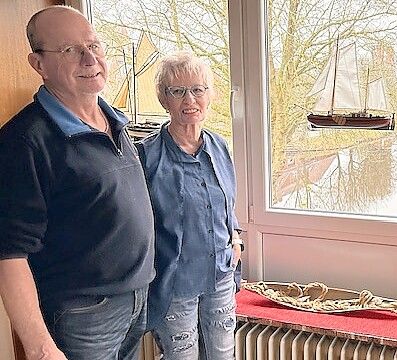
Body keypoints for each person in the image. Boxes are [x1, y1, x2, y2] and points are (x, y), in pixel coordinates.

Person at [0, 6, 155, 360]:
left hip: (136, 297)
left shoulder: (113, 120)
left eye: (95, 45)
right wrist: (41, 348)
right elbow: (9, 253)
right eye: (70, 50)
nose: (90, 58)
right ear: (38, 64)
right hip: (83, 314)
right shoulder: (25, 141)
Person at [136, 51, 242, 360]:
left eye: (198, 89)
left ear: (209, 95)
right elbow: (138, 224)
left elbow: (226, 203)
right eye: (178, 91)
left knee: (223, 355)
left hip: (220, 275)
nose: (190, 99)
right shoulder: (147, 156)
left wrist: (236, 237)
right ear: (164, 99)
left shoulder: (220, 146)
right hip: (174, 283)